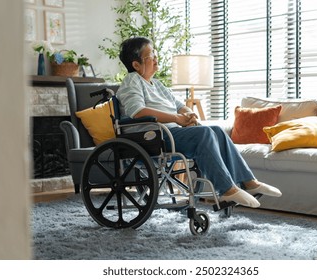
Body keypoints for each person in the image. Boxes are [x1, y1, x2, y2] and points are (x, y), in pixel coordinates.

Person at [116, 36, 282, 208]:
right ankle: (226, 189)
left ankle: (249, 182)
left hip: (170, 133)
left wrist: (189, 115)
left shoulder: (156, 84)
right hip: (152, 136)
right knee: (205, 133)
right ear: (136, 65)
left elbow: (180, 106)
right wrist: (176, 118)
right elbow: (138, 112)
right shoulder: (132, 81)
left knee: (217, 131)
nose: (156, 58)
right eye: (151, 55)